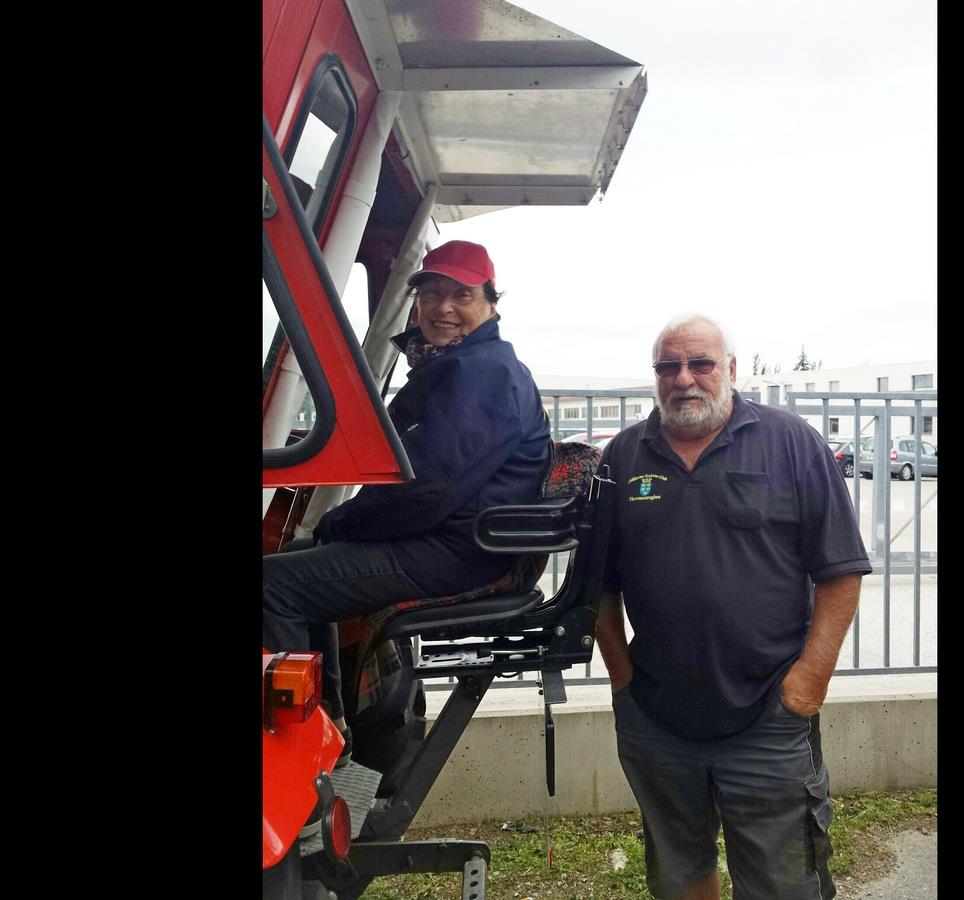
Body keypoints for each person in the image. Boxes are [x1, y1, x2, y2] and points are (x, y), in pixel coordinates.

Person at [594, 313, 872, 899]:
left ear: (731, 370)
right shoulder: (623, 457)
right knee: (678, 873)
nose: (683, 379)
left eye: (701, 364)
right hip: (658, 717)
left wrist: (808, 684)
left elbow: (841, 572)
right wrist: (622, 679)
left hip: (770, 715)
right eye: (668, 366)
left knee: (782, 882)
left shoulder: (791, 443)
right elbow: (598, 584)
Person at [263, 240, 550, 757]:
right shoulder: (464, 364)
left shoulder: (482, 371)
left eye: (461, 295)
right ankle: (331, 726)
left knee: (272, 585)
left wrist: (342, 522)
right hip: (458, 540)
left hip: (458, 551)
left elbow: (429, 490)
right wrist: (339, 525)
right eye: (431, 293)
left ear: (491, 303)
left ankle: (297, 755)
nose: (443, 307)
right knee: (297, 563)